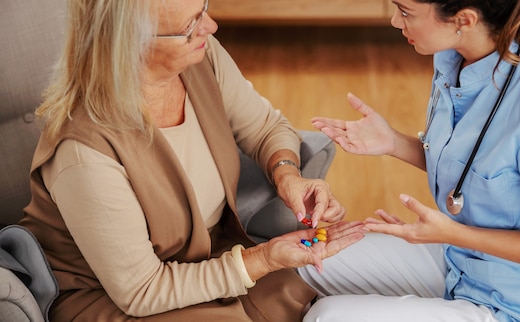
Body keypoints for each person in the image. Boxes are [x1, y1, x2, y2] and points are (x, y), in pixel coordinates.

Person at [18, 0, 364, 321]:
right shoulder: (83, 152)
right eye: (190, 25)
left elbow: (264, 127)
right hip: (118, 301)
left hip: (206, 260)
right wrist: (264, 259)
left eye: (204, 8)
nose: (210, 26)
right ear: (129, 44)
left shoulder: (199, 58)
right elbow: (141, 290)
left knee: (310, 298)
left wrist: (287, 174)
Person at [299, 0, 520, 321]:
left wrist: (451, 233)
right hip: (462, 260)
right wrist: (392, 142)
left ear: (464, 20)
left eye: (405, 12)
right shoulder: (453, 61)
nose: (394, 21)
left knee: (328, 316)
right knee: (305, 261)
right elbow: (473, 170)